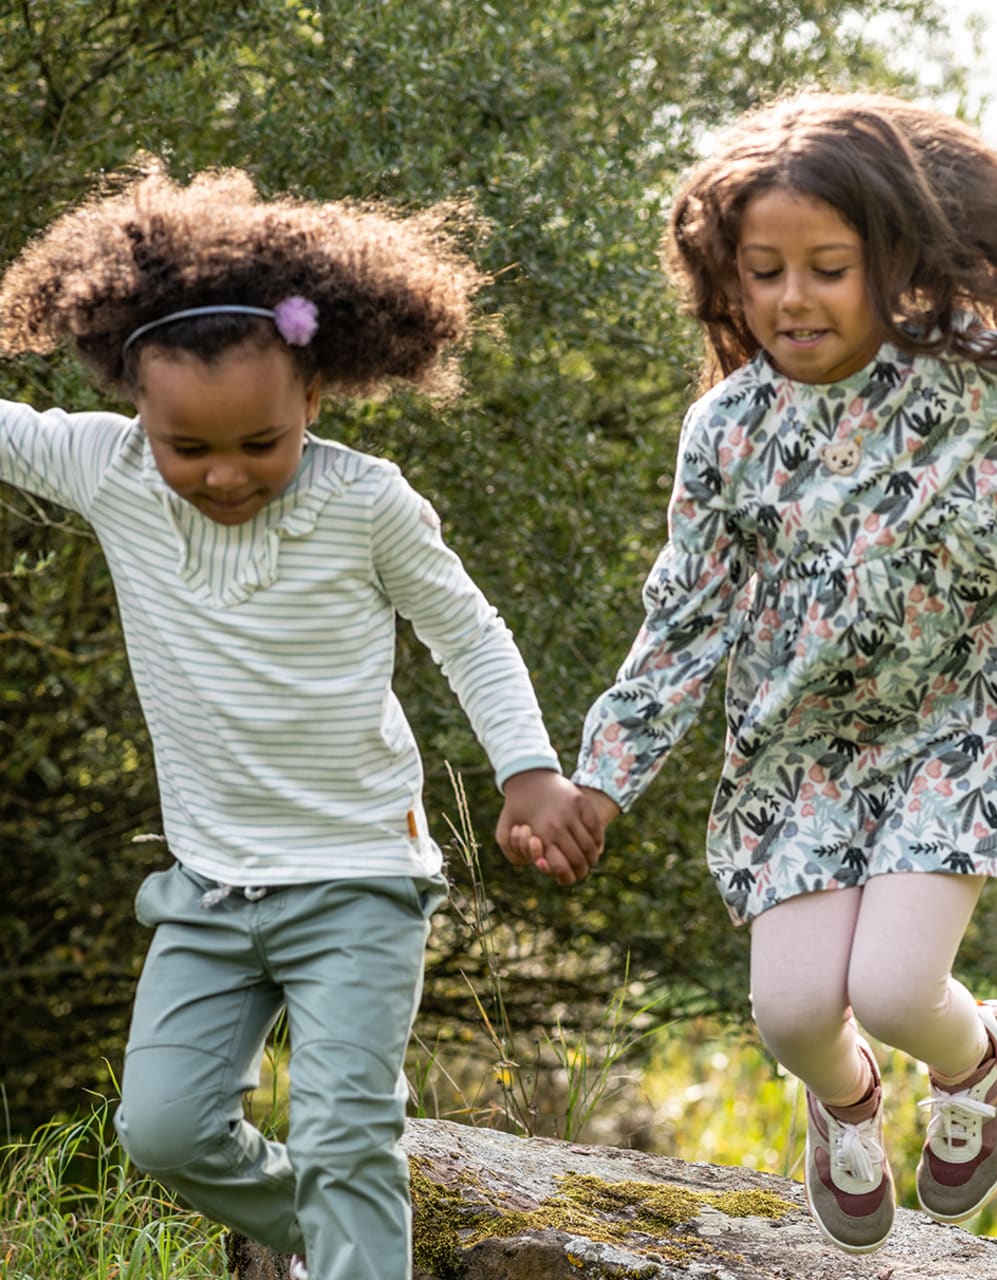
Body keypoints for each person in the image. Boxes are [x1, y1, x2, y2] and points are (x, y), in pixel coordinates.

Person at [504, 91, 997, 1254]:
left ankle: (975, 1059)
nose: (792, 296)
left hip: (970, 718)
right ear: (729, 280)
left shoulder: (962, 366)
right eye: (763, 272)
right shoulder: (724, 430)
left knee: (902, 984)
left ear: (889, 264)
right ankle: (847, 1098)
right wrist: (597, 781)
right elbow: (683, 619)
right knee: (795, 1012)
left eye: (825, 266)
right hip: (799, 750)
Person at [0, 160, 603, 1280]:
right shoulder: (105, 467)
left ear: (314, 397)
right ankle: (354, 1235)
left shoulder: (363, 502)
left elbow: (467, 631)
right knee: (163, 1130)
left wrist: (530, 771)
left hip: (359, 879)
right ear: (137, 407)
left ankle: (354, 1236)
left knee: (344, 1134)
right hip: (208, 887)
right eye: (191, 448)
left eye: (258, 444)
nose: (226, 474)